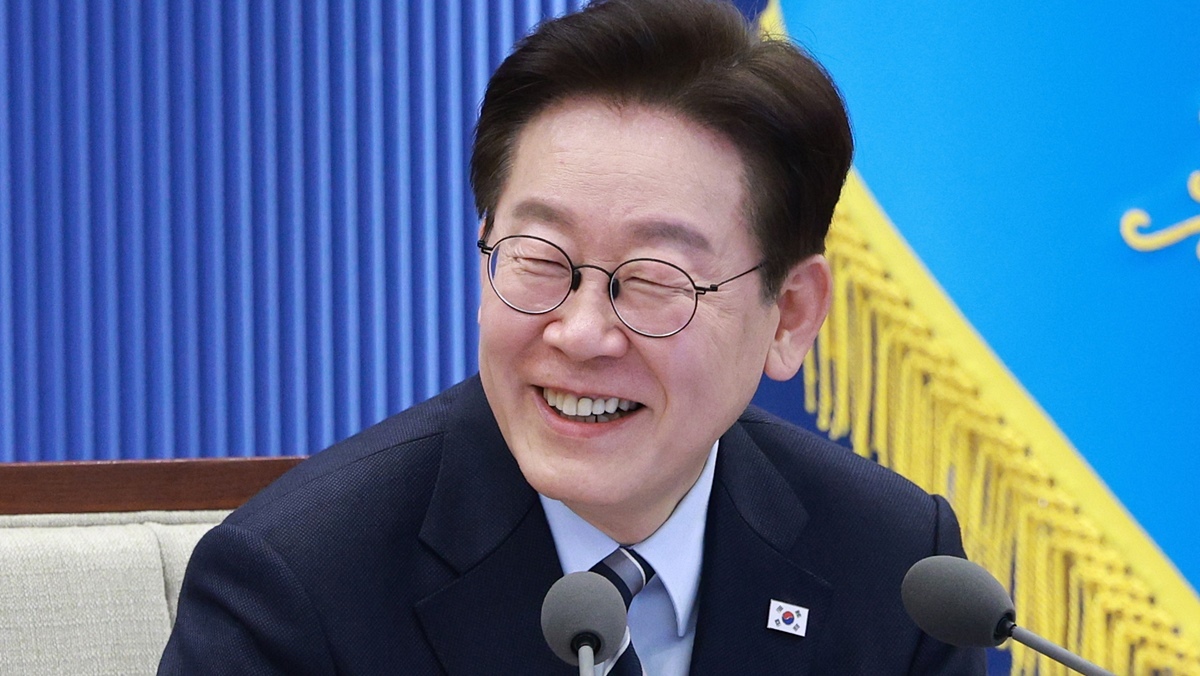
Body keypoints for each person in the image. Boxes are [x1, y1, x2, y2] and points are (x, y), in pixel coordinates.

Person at [160, 0, 986, 673]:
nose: (583, 332)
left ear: (792, 313)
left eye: (654, 278)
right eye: (538, 259)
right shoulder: (298, 589)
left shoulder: (897, 568)